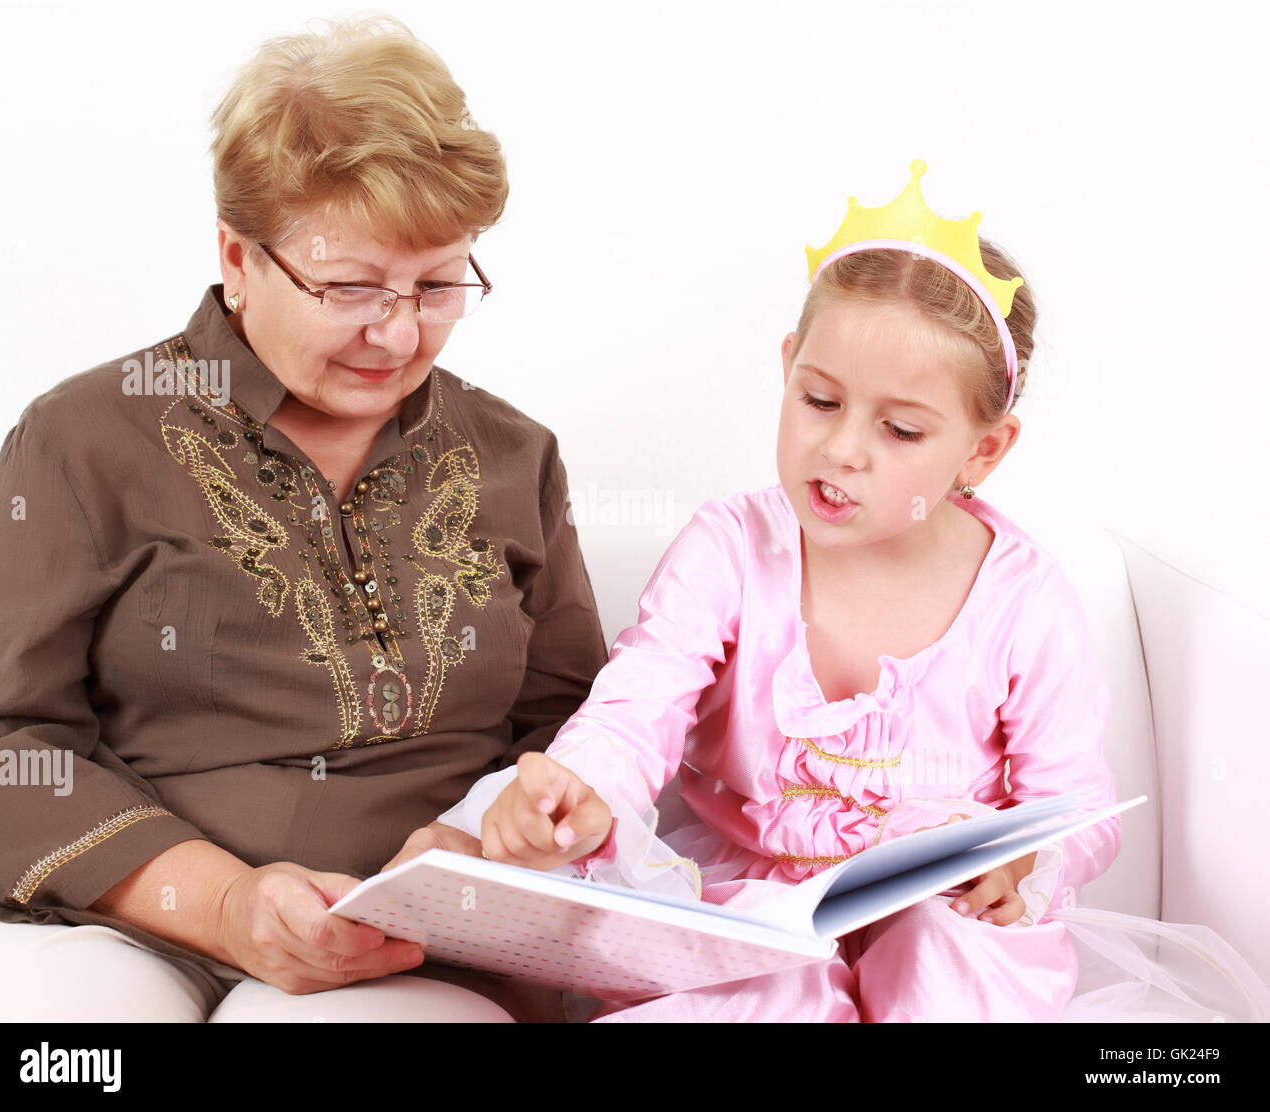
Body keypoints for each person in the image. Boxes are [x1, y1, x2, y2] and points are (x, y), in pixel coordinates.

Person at [422, 161, 1270, 1022]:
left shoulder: (1022, 599)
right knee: (757, 990)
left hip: (941, 905)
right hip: (755, 905)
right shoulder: (732, 548)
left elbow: (1078, 805)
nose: (845, 451)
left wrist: (1018, 865)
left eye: (901, 429)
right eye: (821, 401)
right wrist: (584, 782)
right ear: (789, 367)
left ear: (983, 452)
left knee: (949, 959)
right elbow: (637, 707)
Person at [0, 16, 606, 1023]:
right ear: (239, 255)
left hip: (426, 951)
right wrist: (221, 902)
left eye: (439, 283)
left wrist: (490, 838)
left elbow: (581, 730)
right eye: (350, 285)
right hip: (129, 922)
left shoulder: (513, 455)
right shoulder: (80, 439)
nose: (398, 331)